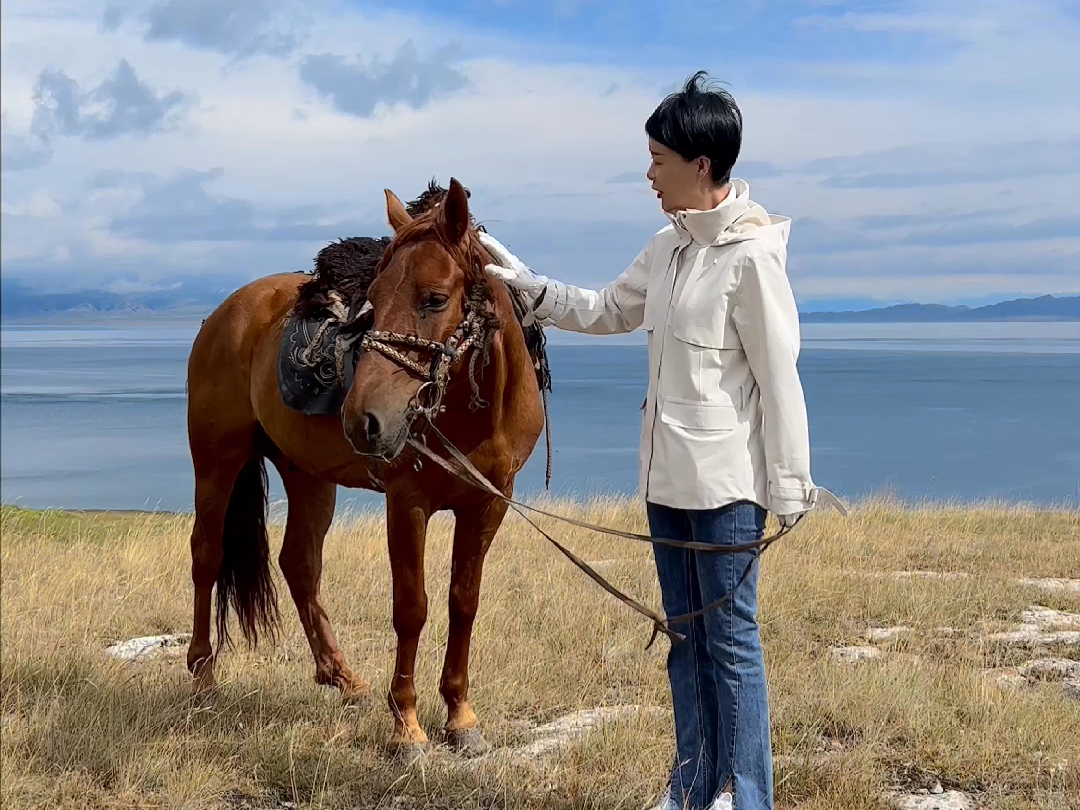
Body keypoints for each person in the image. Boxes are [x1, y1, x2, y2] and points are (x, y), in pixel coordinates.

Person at [478, 71, 844, 810]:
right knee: (684, 641)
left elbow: (781, 380)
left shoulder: (752, 259)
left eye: (658, 160)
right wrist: (527, 285)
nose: (648, 175)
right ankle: (692, 784)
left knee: (732, 649)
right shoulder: (666, 247)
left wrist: (791, 486)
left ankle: (748, 797)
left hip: (728, 491)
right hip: (663, 484)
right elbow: (608, 309)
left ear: (700, 166)